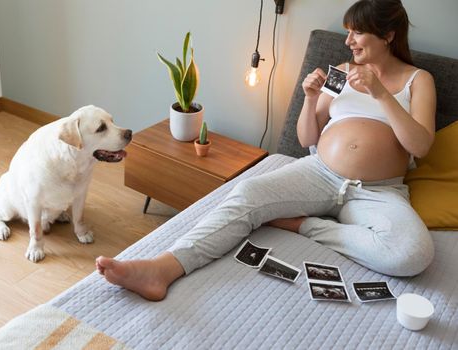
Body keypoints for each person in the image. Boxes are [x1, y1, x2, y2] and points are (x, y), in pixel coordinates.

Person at [96, 0, 436, 301]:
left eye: (357, 33)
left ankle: (303, 224)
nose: (347, 42)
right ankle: (162, 268)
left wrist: (380, 94)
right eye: (348, 33)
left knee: (413, 254)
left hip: (377, 192)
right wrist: (311, 98)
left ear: (388, 35)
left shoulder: (418, 80)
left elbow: (419, 145)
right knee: (247, 192)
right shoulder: (343, 73)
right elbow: (306, 139)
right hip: (320, 173)